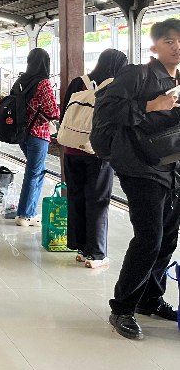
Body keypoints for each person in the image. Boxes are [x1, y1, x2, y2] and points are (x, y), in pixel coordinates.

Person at [95, 19, 180, 340]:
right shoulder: (137, 75)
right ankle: (123, 308)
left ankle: (150, 298)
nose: (177, 46)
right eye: (169, 41)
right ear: (155, 46)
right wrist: (151, 105)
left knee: (168, 238)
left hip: (173, 168)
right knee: (149, 238)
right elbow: (105, 111)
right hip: (140, 166)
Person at [62, 49, 128, 269]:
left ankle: (81, 248)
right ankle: (97, 254)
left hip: (71, 150)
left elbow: (65, 113)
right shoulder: (113, 86)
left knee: (77, 197)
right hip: (96, 152)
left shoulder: (78, 82)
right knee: (98, 201)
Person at [13, 48, 60, 226]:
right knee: (34, 172)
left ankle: (28, 211)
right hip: (38, 133)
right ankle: (25, 214)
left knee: (36, 171)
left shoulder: (21, 80)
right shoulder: (43, 83)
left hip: (21, 133)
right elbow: (52, 112)